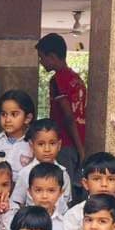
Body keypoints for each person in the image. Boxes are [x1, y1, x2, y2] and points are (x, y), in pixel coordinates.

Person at [36, 33, 87, 164]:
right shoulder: (75, 77)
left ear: (52, 57)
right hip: (78, 139)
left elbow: (68, 116)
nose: (40, 62)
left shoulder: (57, 80)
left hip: (64, 143)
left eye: (41, 57)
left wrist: (80, 150)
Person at [6, 163, 66, 230]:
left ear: (60, 192)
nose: (44, 196)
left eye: (51, 190)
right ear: (29, 191)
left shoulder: (63, 224)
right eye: (38, 190)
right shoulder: (21, 219)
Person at [12, 118, 72, 210]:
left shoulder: (63, 174)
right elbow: (17, 203)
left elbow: (66, 203)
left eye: (52, 143)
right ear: (32, 145)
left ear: (59, 145)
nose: (47, 149)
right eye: (41, 144)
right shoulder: (25, 173)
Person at [0, 89, 35, 170]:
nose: (7, 120)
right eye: (4, 114)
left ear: (27, 118)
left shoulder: (34, 144)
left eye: (14, 114)